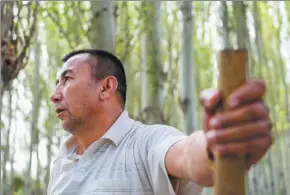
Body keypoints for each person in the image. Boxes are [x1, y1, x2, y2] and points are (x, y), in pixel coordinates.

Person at [48, 49, 272, 195]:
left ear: (106, 88)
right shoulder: (61, 160)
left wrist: (216, 144)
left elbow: (187, 155)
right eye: (57, 83)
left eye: (67, 79)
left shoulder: (146, 142)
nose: (55, 95)